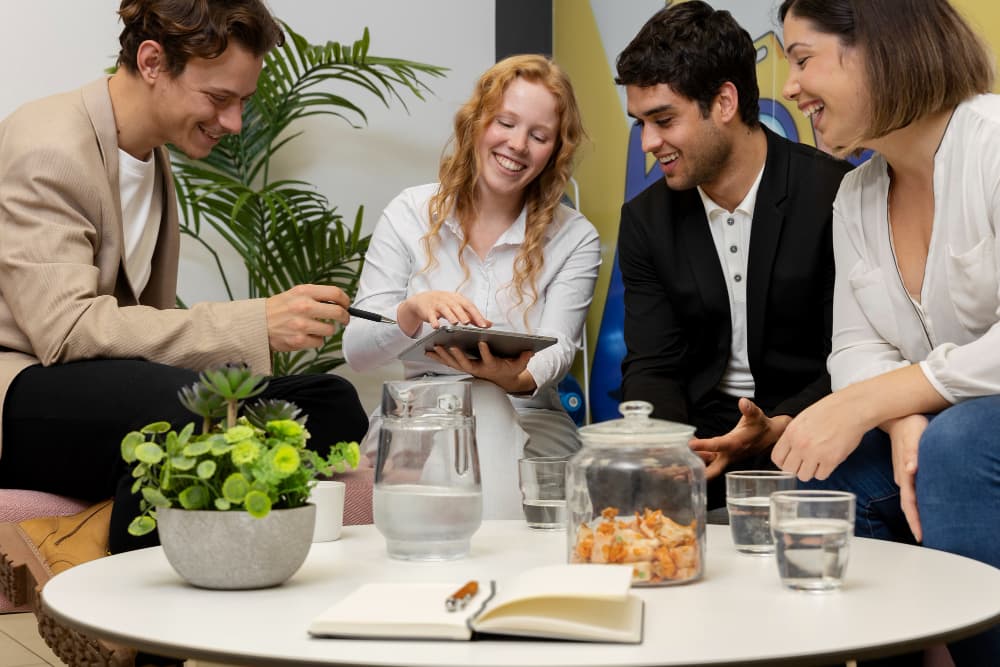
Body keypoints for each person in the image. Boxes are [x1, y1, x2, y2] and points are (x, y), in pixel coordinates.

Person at [0, 0, 368, 571]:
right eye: (219, 99)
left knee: (332, 405)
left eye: (242, 101)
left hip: (105, 383)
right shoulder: (48, 143)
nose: (235, 123)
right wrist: (252, 323)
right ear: (152, 61)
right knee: (180, 414)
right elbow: (66, 330)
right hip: (24, 391)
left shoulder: (151, 157)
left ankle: (111, 525)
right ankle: (129, 632)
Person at [774, 0, 999, 662]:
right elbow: (855, 345)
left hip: (972, 438)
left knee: (954, 445)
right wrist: (901, 418)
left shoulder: (992, 143)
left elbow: (878, 380)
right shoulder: (857, 196)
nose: (789, 88)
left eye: (803, 59)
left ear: (879, 45)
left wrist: (886, 398)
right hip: (948, 425)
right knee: (819, 464)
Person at [613, 1, 851, 509]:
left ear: (724, 101)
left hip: (811, 420)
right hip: (702, 432)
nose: (649, 143)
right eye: (641, 124)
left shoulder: (834, 195)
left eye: (663, 120)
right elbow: (653, 365)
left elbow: (854, 354)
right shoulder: (646, 220)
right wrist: (675, 452)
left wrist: (780, 426)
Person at [343, 54, 600, 519]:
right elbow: (358, 352)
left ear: (555, 151)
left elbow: (559, 350)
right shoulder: (409, 213)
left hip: (529, 417)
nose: (518, 145)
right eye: (505, 123)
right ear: (477, 122)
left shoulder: (575, 236)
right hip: (417, 417)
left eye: (539, 136)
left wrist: (513, 379)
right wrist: (410, 313)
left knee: (485, 400)